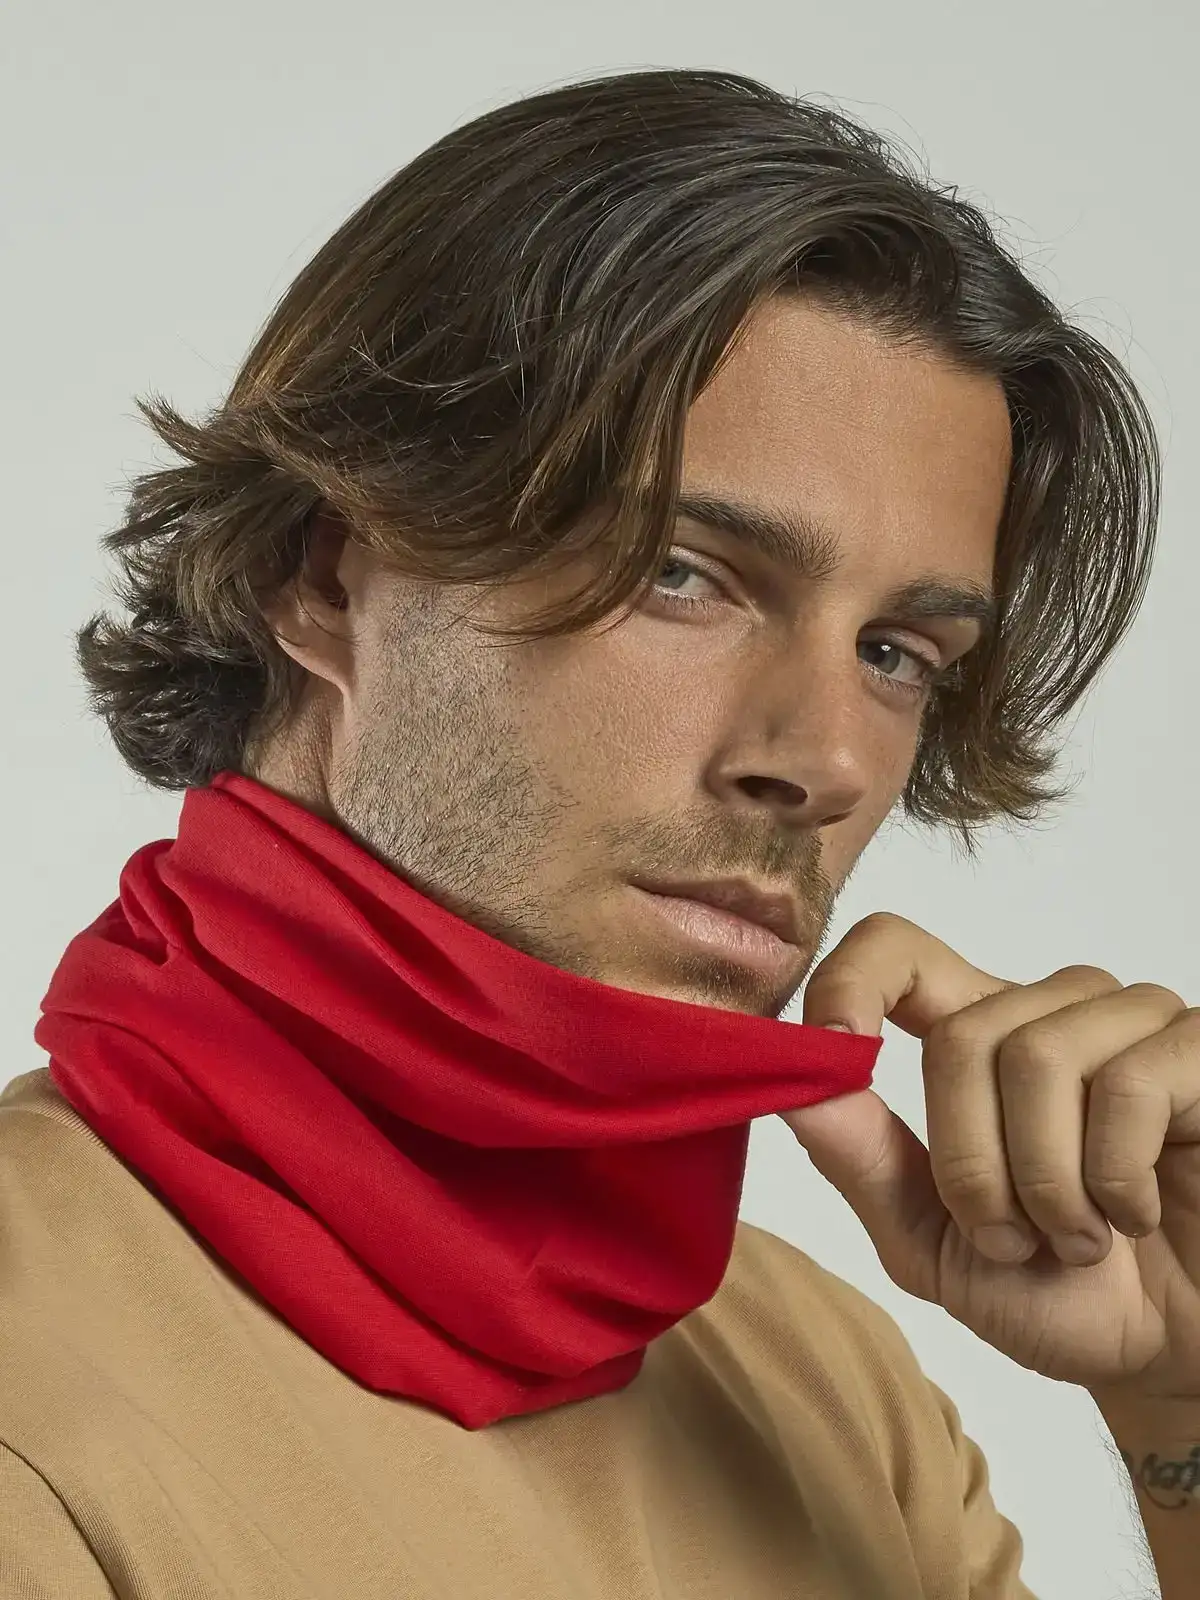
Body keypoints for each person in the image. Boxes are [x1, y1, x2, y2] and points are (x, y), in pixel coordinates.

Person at [0, 66, 1162, 1599]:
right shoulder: (37, 1381)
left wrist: (1181, 1412)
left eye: (896, 653)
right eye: (686, 574)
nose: (824, 760)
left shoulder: (832, 1388)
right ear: (330, 579)